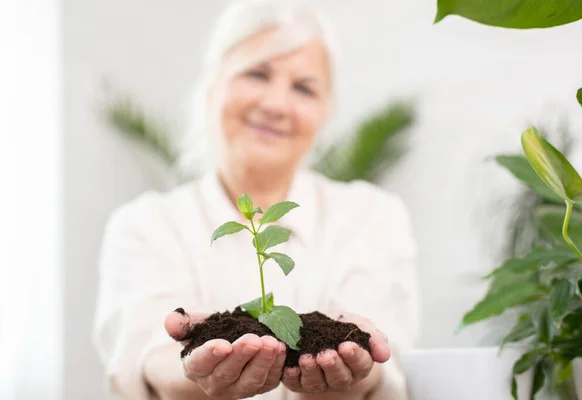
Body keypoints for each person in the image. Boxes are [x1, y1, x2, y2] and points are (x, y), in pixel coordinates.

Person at [92, 1, 420, 399]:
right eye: (257, 73)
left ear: (325, 112)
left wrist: (356, 370)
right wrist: (191, 367)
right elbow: (142, 352)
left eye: (304, 88)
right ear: (213, 84)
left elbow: (388, 364)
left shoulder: (371, 217)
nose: (276, 105)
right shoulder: (147, 224)